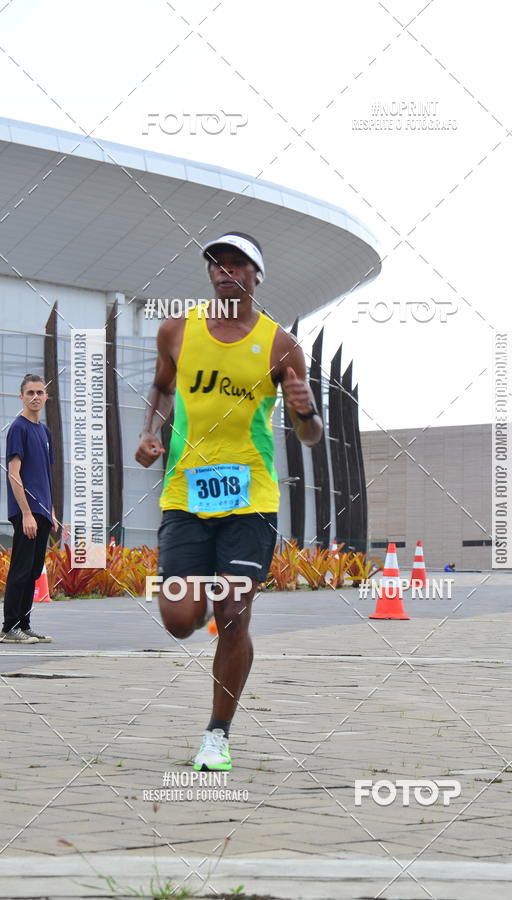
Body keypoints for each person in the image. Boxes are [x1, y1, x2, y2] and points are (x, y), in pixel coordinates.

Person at [135, 232, 323, 771]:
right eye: (217, 263)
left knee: (234, 613)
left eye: (237, 263)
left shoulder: (281, 345)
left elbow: (310, 435)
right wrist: (150, 431)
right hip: (185, 492)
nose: (225, 270)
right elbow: (162, 388)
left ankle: (217, 734)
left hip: (251, 497)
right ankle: (199, 607)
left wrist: (306, 412)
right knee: (179, 618)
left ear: (256, 275)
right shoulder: (177, 330)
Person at [0, 375, 58, 644]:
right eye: (30, 393)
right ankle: (9, 628)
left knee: (33, 570)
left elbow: (45, 474)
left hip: (42, 511)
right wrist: (25, 513)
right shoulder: (18, 428)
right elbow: (14, 473)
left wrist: (51, 511)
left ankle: (24, 625)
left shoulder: (44, 432)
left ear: (46, 396)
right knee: (21, 569)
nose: (35, 397)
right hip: (26, 511)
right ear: (21, 397)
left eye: (39, 392)